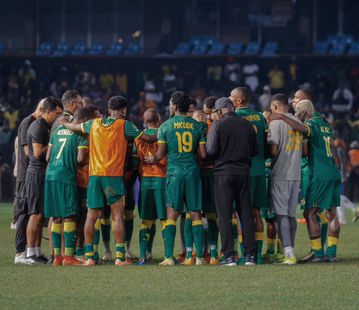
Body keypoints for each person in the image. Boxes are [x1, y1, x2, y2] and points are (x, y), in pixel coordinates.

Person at [62, 95, 155, 266]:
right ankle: (120, 257)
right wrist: (164, 132)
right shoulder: (125, 125)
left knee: (91, 216)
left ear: (109, 110)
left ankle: (89, 256)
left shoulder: (94, 124)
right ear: (124, 110)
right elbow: (148, 139)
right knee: (117, 215)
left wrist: (64, 123)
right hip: (113, 176)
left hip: (95, 176)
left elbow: (75, 127)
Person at [272, 100, 341, 263]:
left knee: (310, 212)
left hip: (319, 174)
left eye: (297, 112)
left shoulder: (312, 123)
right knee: (332, 213)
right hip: (333, 171)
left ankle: (317, 252)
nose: (295, 115)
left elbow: (301, 128)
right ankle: (331, 253)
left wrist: (282, 116)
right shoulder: (326, 125)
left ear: (303, 113)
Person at [145, 91, 206, 266]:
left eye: (171, 104)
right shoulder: (198, 126)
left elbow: (160, 154)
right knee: (195, 214)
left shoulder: (165, 127)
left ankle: (168, 257)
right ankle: (199, 257)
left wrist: (152, 159)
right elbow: (203, 155)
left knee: (172, 214)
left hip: (174, 174)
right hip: (193, 173)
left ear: (175, 106)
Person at [206, 97, 257, 266]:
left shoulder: (217, 125)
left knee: (225, 216)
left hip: (223, 174)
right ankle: (250, 256)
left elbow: (211, 151)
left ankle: (228, 256)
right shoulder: (247, 124)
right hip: (243, 173)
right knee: (246, 216)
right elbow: (254, 150)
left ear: (220, 111)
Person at [44, 107, 89, 266]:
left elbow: (48, 156)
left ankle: (57, 257)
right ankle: (69, 257)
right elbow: (80, 159)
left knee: (56, 216)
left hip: (50, 176)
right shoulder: (80, 135)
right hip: (66, 176)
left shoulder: (56, 132)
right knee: (70, 215)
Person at [230, 87, 267, 264]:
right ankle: (258, 255)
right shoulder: (260, 117)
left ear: (238, 101)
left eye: (231, 97)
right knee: (257, 213)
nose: (229, 99)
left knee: (241, 214)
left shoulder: (235, 117)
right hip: (260, 170)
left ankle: (245, 254)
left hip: (244, 170)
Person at [25, 97, 63, 264]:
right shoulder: (39, 126)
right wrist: (55, 142)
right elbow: (38, 152)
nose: (58, 116)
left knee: (41, 214)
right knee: (36, 213)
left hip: (42, 173)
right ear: (47, 111)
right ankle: (30, 253)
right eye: (57, 113)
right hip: (36, 173)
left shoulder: (46, 126)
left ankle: (37, 252)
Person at [268, 94, 303, 264]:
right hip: (296, 174)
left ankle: (289, 255)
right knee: (291, 215)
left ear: (275, 107)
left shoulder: (276, 123)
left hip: (281, 174)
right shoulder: (298, 123)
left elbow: (273, 150)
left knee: (281, 215)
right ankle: (292, 250)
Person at [135, 109, 167, 265]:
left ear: (145, 121)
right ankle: (168, 256)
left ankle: (143, 256)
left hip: (145, 181)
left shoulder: (139, 138)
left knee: (146, 220)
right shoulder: (165, 133)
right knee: (165, 220)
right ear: (159, 119)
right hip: (162, 179)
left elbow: (136, 160)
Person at [14, 99, 44, 265]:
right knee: (23, 213)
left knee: (33, 211)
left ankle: (32, 252)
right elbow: (28, 151)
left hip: (31, 174)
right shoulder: (28, 122)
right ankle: (19, 253)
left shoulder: (35, 122)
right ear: (41, 109)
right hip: (25, 175)